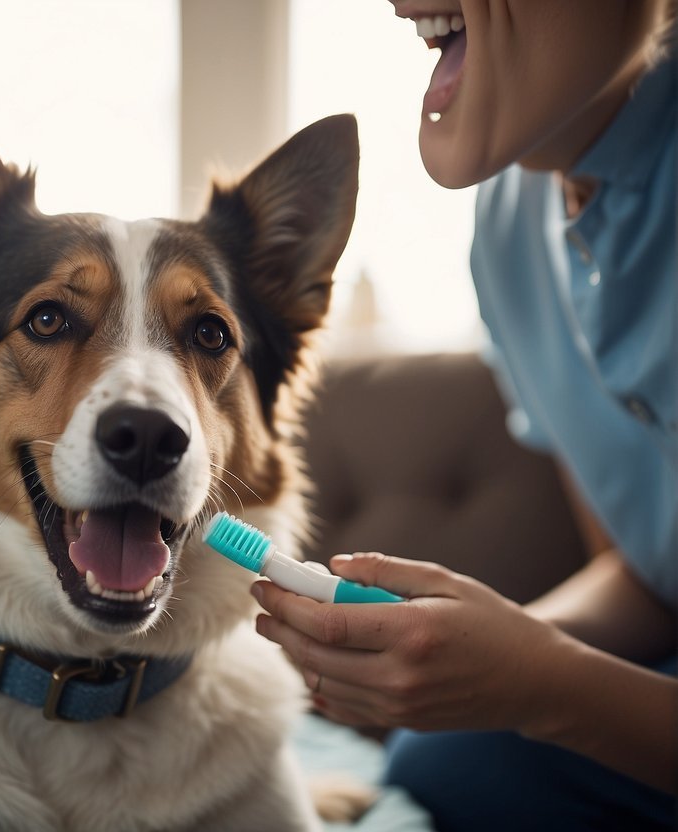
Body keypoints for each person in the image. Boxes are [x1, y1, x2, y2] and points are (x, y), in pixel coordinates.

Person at [250, 2, 677, 830]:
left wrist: (543, 684)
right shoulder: (508, 226)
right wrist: (459, 652)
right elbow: (647, 575)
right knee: (443, 755)